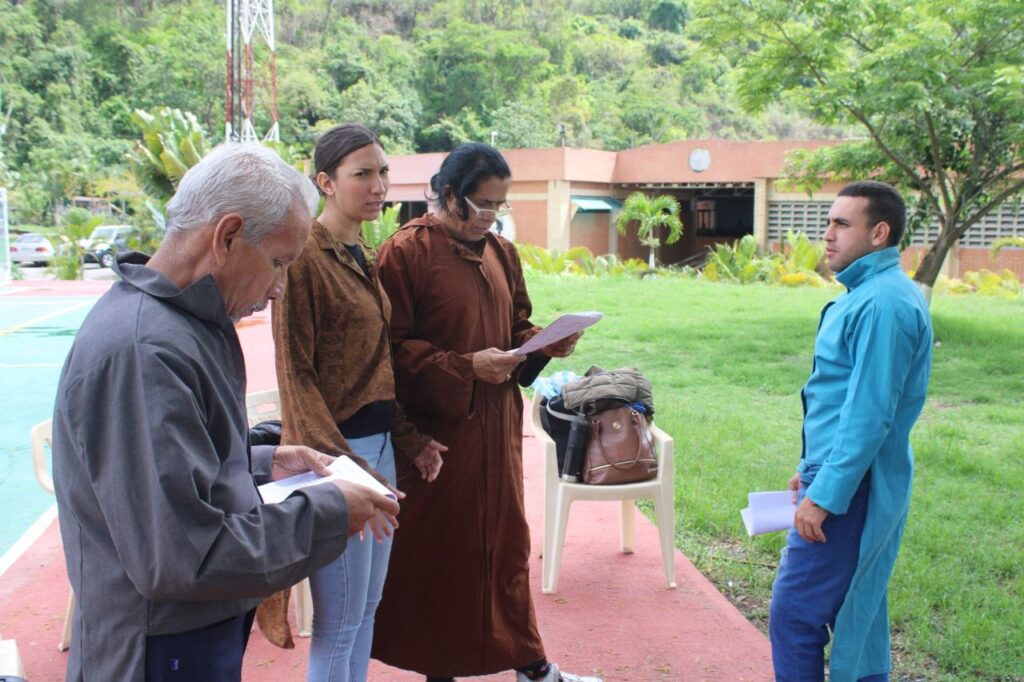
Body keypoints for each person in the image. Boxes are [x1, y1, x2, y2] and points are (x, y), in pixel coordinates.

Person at [51, 143, 400, 682]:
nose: (279, 288)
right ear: (228, 236)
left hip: (188, 632)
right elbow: (184, 556)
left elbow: (172, 469)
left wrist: (260, 460)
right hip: (157, 648)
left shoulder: (186, 324)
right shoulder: (145, 351)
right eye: (278, 263)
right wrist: (329, 511)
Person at [371, 143, 596, 682]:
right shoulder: (405, 253)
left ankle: (531, 665)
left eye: (500, 204)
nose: (492, 215)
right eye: (483, 204)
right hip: (439, 438)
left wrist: (541, 342)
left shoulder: (501, 252)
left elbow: (514, 325)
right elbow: (387, 353)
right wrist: (466, 367)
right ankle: (440, 671)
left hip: (497, 429)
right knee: (445, 556)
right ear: (450, 195)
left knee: (506, 545)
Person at [270, 123, 447, 681]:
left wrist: (410, 441)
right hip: (337, 457)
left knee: (365, 610)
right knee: (339, 621)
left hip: (378, 452)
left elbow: (377, 366)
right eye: (362, 174)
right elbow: (295, 374)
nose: (379, 186)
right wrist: (344, 467)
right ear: (325, 182)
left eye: (383, 172)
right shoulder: (304, 257)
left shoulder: (363, 252)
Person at [769, 181, 933, 681]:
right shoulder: (872, 294)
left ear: (879, 233)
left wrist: (825, 493)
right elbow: (841, 402)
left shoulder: (883, 304)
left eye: (842, 223)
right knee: (855, 610)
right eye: (829, 221)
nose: (828, 234)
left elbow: (869, 415)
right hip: (844, 473)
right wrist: (809, 468)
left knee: (795, 615)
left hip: (852, 485)